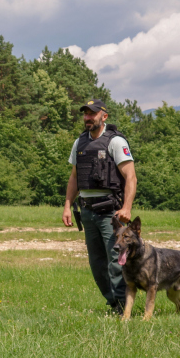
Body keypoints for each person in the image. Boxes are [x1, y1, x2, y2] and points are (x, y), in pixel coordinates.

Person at [62, 99, 137, 315]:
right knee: (97, 264)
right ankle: (113, 303)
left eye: (92, 114)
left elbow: (130, 176)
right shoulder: (80, 143)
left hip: (110, 212)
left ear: (104, 116)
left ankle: (124, 308)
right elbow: (74, 177)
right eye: (85, 114)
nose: (87, 117)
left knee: (116, 261)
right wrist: (67, 206)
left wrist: (127, 208)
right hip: (87, 211)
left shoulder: (115, 142)